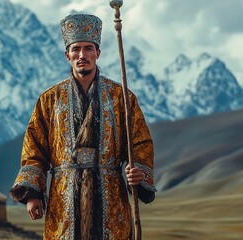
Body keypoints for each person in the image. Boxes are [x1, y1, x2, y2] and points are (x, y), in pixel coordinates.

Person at [10, 14, 156, 239]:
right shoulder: (49, 100)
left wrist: (138, 172)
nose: (82, 55)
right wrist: (32, 194)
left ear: (98, 53)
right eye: (76, 49)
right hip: (64, 197)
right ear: (67, 54)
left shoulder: (122, 98)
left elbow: (140, 142)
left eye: (89, 49)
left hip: (110, 196)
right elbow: (34, 148)